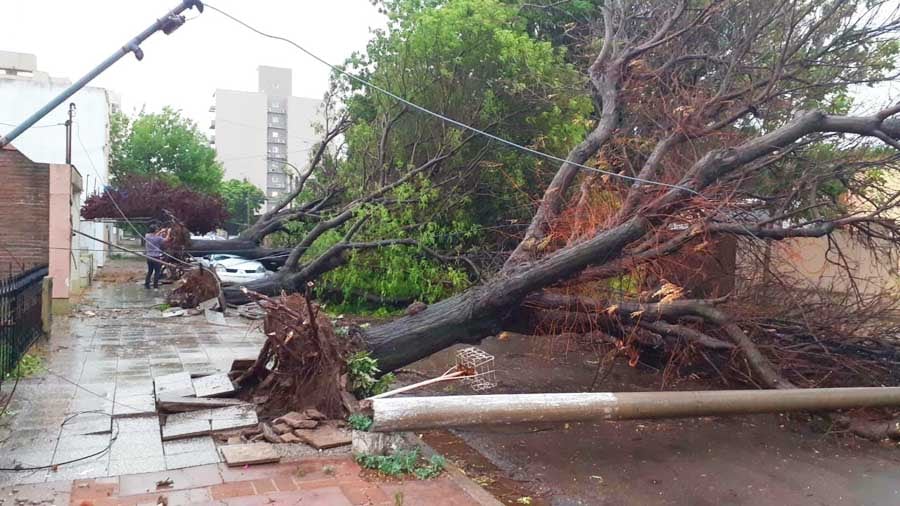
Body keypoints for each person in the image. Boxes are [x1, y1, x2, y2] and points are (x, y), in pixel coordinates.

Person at [144, 224, 168, 289]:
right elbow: (166, 240)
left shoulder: (147, 236)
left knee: (150, 271)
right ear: (155, 230)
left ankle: (147, 284)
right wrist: (169, 232)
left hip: (149, 256)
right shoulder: (158, 238)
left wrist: (160, 231)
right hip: (156, 257)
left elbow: (154, 235)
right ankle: (155, 286)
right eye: (157, 229)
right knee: (157, 272)